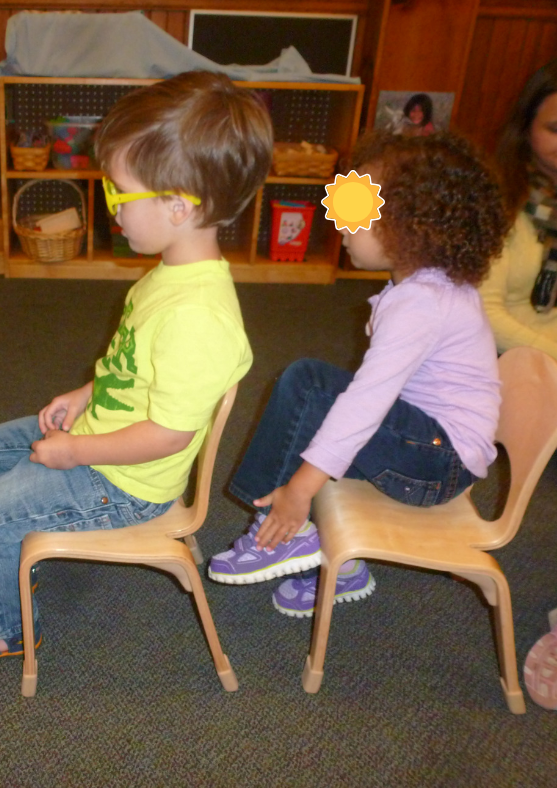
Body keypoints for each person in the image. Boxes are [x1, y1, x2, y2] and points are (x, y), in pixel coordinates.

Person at [0, 70, 273, 663]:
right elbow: (133, 366)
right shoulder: (171, 275)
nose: (107, 204)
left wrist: (77, 452)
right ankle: (5, 569)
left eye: (118, 192)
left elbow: (169, 433)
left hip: (129, 483)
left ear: (176, 206)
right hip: (108, 441)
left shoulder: (198, 317)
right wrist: (86, 393)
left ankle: (4, 631)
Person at [208, 131, 508, 618]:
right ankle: (330, 565)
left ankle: (280, 524)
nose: (340, 222)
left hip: (437, 463)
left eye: (359, 209)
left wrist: (299, 490)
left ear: (412, 227)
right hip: (431, 446)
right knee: (318, 403)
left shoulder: (421, 304)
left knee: (311, 387)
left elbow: (366, 402)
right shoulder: (426, 287)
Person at [479, 60, 557, 360]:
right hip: (510, 361)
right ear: (526, 127)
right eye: (555, 129)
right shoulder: (495, 201)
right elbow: (485, 314)